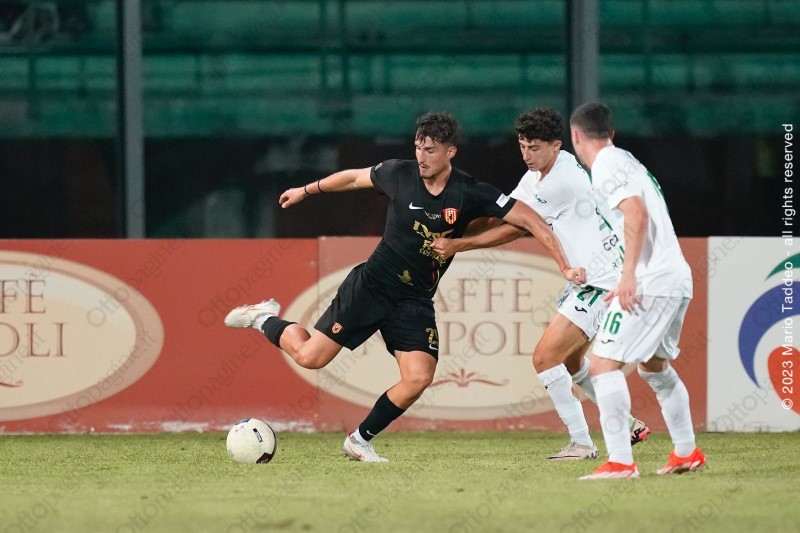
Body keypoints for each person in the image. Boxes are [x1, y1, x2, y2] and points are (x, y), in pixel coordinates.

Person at [224, 111, 586, 462]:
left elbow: (530, 220)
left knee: (419, 377)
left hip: (415, 299)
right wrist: (306, 190)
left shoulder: (469, 192)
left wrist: (563, 264)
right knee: (310, 358)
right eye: (418, 147)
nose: (421, 157)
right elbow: (352, 179)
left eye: (430, 150)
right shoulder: (398, 173)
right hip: (372, 286)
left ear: (450, 152)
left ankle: (358, 440)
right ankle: (263, 318)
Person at [430, 107, 650, 461]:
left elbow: (517, 227)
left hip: (600, 282)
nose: (526, 154)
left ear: (556, 145)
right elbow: (505, 213)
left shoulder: (560, 182)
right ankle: (625, 423)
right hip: (584, 279)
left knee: (545, 358)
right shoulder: (538, 174)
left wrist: (459, 244)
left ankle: (582, 443)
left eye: (534, 147)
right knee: (573, 363)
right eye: (522, 146)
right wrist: (455, 226)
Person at [569, 103, 706, 479]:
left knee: (602, 365)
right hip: (674, 277)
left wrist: (628, 276)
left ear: (576, 136)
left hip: (651, 281)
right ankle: (686, 452)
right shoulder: (627, 160)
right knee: (655, 367)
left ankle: (621, 461)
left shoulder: (607, 164)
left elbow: (636, 213)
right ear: (611, 133)